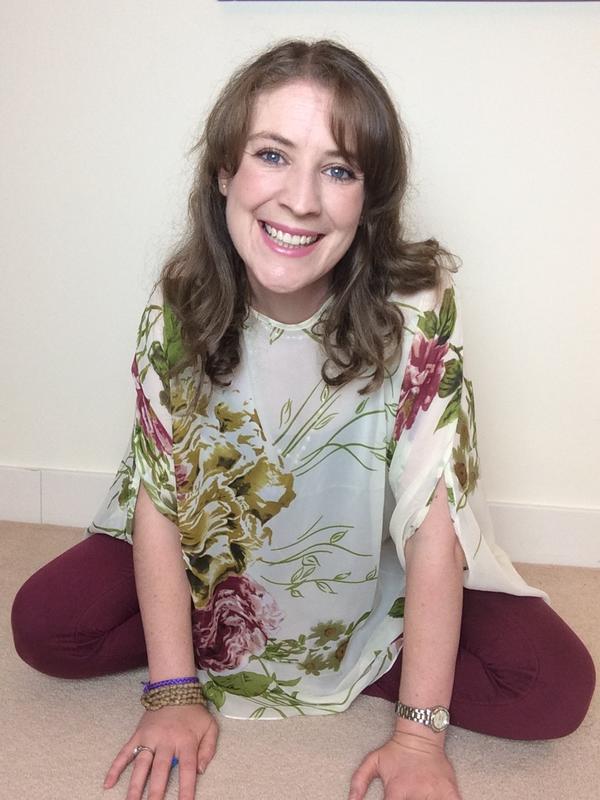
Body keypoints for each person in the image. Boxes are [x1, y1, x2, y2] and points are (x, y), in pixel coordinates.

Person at [11, 39, 595, 800]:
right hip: (209, 555)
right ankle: (218, 645)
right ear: (225, 172)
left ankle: (354, 654)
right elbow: (162, 497)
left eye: (339, 170)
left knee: (554, 689)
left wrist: (419, 735)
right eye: (272, 155)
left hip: (370, 563)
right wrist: (174, 690)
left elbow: (433, 519)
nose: (302, 200)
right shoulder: (178, 302)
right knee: (46, 626)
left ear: (369, 197)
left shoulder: (421, 308)